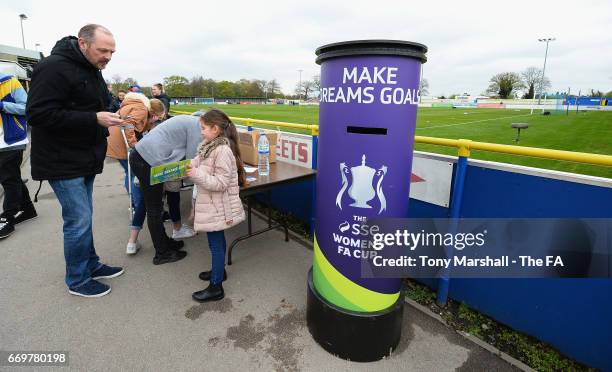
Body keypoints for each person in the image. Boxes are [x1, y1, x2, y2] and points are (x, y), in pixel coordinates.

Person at [26, 24, 125, 298]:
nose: (108, 56)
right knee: (78, 220)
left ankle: (91, 264)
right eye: (103, 50)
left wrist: (109, 112)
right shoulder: (52, 67)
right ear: (83, 44)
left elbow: (91, 105)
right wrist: (94, 118)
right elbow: (38, 115)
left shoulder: (93, 69)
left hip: (85, 157)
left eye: (112, 51)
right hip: (61, 160)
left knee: (85, 217)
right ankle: (78, 279)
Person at [188, 109, 246, 302]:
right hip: (213, 205)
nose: (201, 131)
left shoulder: (222, 151)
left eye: (203, 128)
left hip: (217, 207)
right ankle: (218, 271)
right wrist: (186, 167)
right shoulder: (208, 145)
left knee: (216, 244)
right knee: (217, 241)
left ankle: (216, 287)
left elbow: (220, 184)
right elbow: (197, 162)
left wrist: (194, 174)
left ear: (215, 129)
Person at [129, 115, 202, 265]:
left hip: (142, 157)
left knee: (154, 208)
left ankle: (164, 242)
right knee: (154, 209)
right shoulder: (197, 126)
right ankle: (162, 253)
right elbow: (191, 159)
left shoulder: (190, 120)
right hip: (146, 161)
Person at [106, 94, 166, 254]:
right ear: (154, 112)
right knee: (137, 180)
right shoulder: (141, 108)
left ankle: (137, 204)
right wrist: (135, 145)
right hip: (122, 145)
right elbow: (128, 123)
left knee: (130, 175)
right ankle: (139, 205)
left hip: (114, 142)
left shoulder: (136, 107)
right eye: (158, 118)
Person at [0, 73, 37, 239]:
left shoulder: (9, 82)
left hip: (12, 140)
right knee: (11, 176)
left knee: (8, 178)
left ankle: (8, 217)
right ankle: (28, 209)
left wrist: (2, 106)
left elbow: (27, 107)